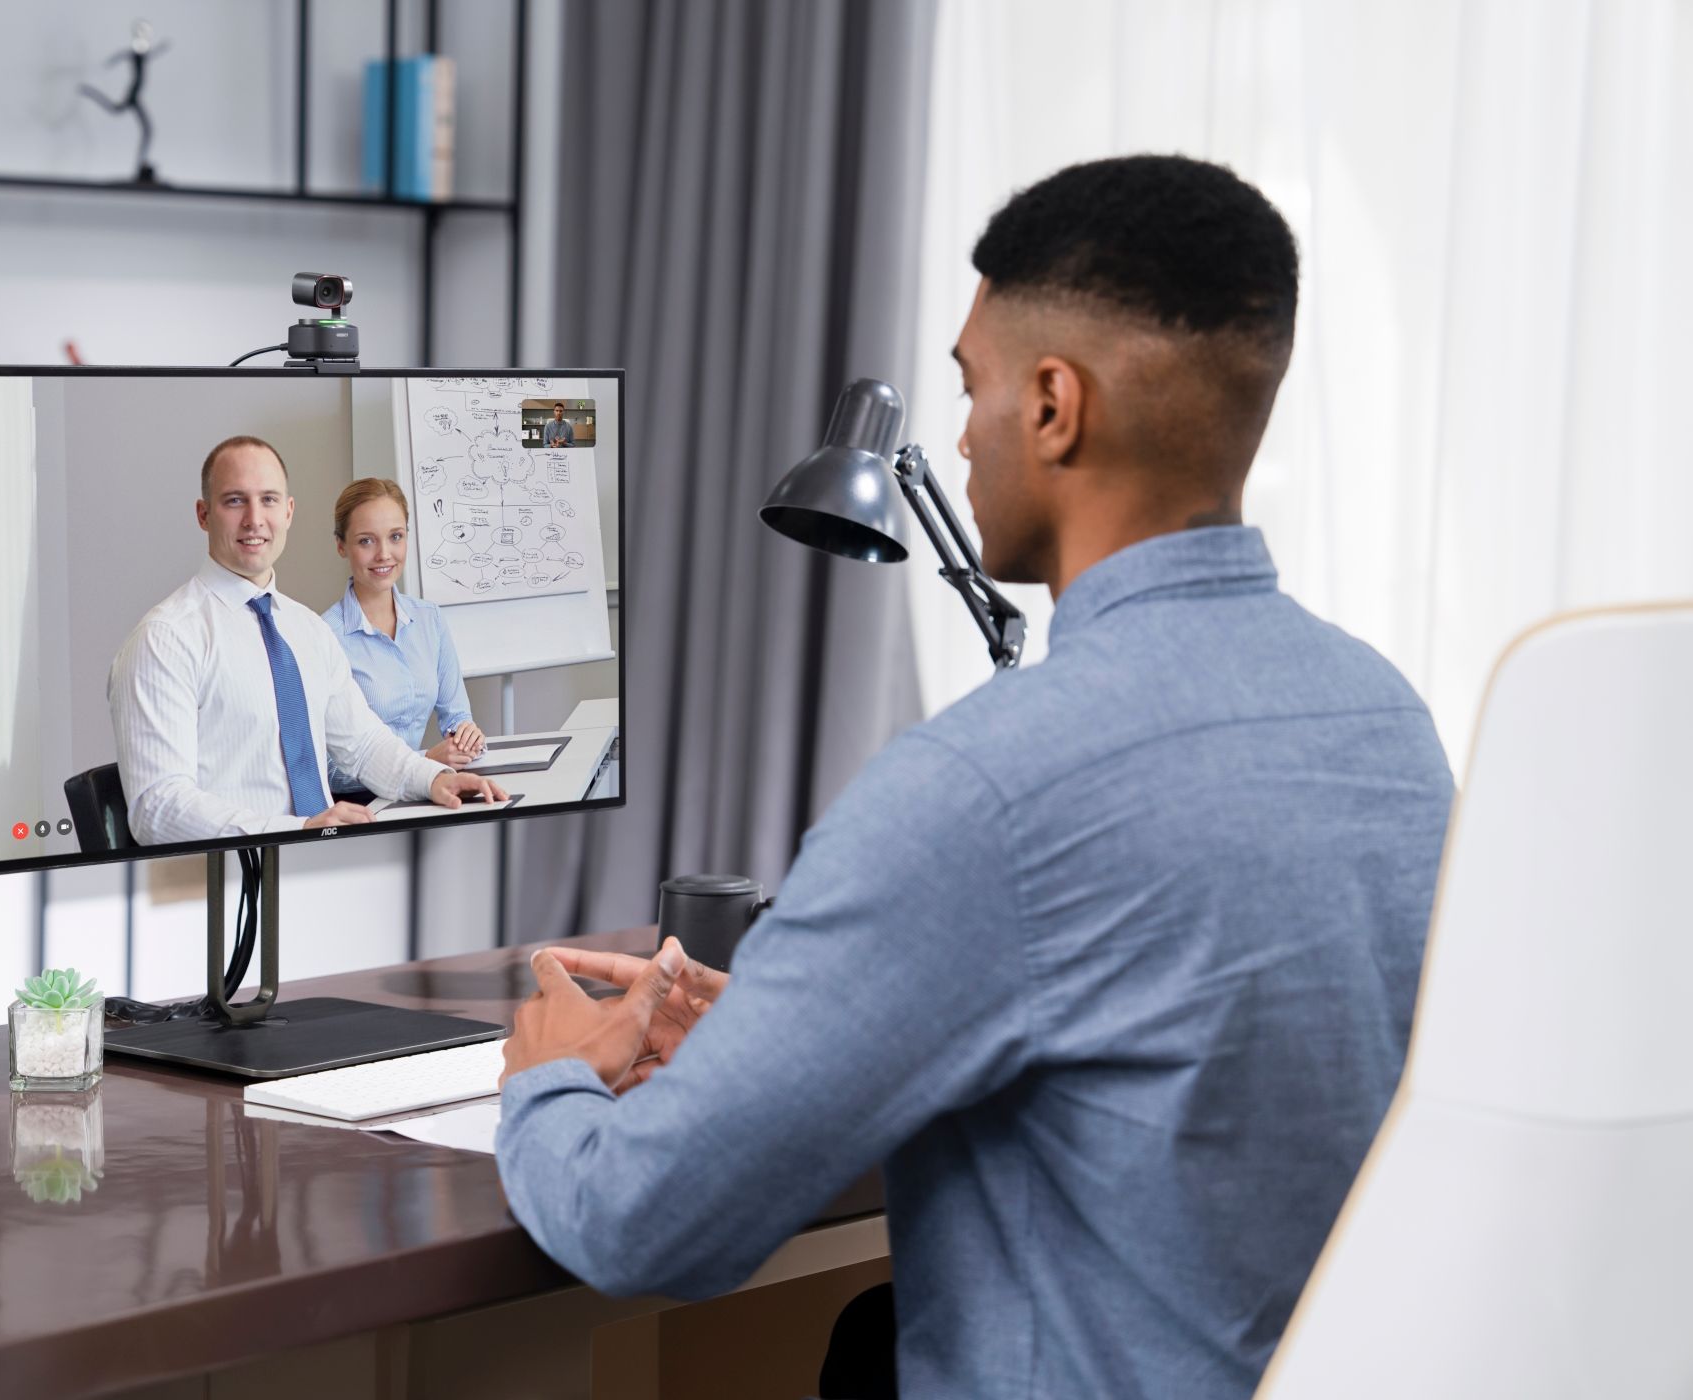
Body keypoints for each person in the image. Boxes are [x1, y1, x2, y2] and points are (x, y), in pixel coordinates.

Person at [492, 154, 1456, 1398]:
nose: (955, 435)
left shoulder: (985, 787)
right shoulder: (1386, 717)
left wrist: (550, 1070)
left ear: (1054, 405)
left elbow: (646, 1219)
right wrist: (796, 1031)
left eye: (972, 386)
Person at [108, 436, 506, 845]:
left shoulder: (306, 630)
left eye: (268, 500)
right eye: (234, 501)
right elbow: (156, 808)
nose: (254, 519)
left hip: (319, 862)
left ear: (289, 511)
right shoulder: (165, 639)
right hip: (230, 882)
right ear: (203, 514)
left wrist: (434, 778)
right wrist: (297, 831)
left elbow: (364, 744)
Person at [323, 478, 486, 771]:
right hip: (362, 804)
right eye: (366, 541)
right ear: (340, 546)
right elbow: (326, 769)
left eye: (395, 536)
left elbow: (456, 715)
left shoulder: (429, 619)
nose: (384, 553)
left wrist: (466, 735)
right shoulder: (325, 637)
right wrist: (421, 762)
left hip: (428, 788)